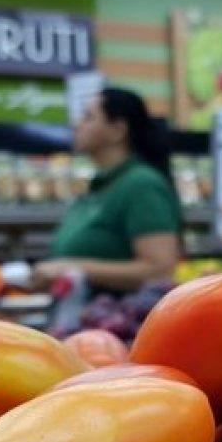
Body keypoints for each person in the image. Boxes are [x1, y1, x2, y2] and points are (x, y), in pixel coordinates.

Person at [32, 87, 182, 292]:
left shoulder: (142, 185)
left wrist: (72, 267)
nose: (77, 125)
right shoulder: (99, 186)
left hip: (123, 312)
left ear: (118, 130)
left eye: (88, 117)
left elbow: (159, 269)